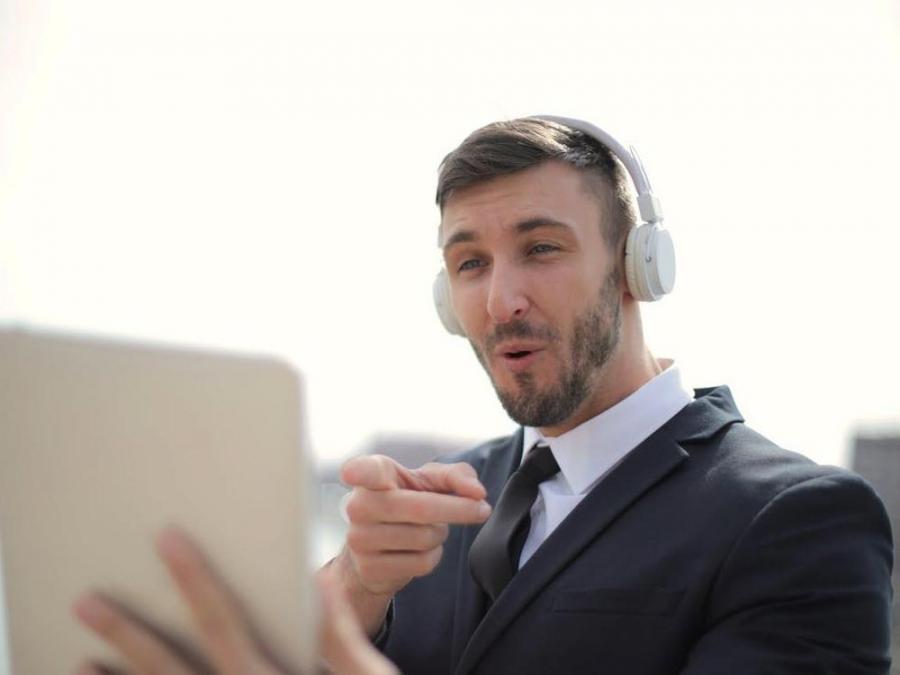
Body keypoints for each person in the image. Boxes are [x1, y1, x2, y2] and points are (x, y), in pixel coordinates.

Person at [77, 116, 894, 674]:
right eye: (470, 263)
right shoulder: (428, 510)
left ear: (639, 269)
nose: (501, 297)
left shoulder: (799, 521)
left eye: (540, 247)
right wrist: (351, 599)